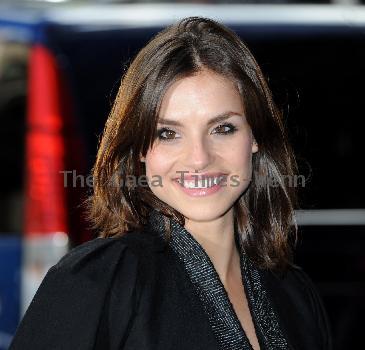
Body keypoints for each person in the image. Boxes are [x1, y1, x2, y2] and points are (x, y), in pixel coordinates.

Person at [9, 16, 332, 350]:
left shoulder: (295, 295)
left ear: (255, 136)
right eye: (168, 133)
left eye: (222, 128)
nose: (198, 158)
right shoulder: (97, 280)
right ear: (139, 151)